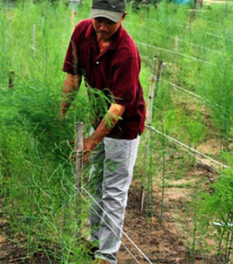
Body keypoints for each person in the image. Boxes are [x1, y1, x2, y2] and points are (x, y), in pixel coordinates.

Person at [58, 0, 146, 263]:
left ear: (123, 17)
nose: (102, 27)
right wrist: (59, 115)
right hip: (98, 118)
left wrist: (91, 142)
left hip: (124, 126)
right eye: (99, 19)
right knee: (96, 182)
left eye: (110, 21)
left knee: (114, 190)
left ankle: (107, 257)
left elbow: (118, 106)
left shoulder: (126, 53)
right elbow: (73, 78)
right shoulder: (81, 33)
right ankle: (95, 242)